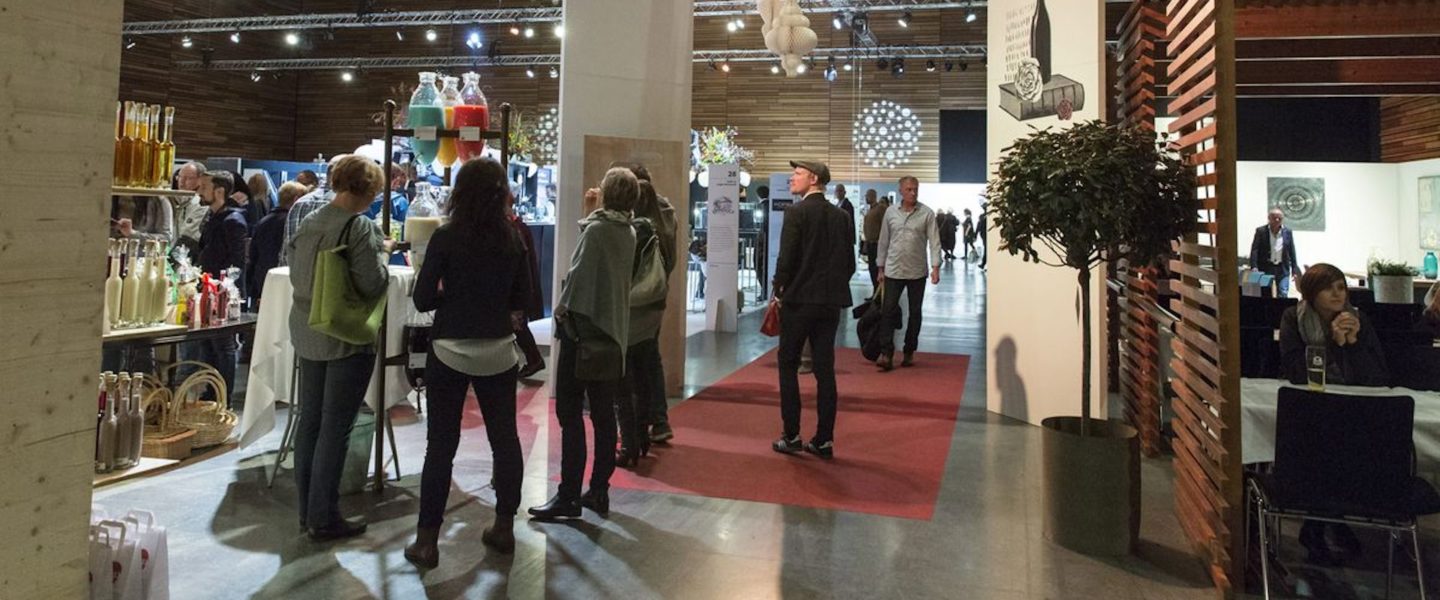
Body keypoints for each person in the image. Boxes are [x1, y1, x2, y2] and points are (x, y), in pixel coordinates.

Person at [404, 158, 529, 566]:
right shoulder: (513, 237)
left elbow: (422, 299)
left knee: (440, 446)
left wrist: (452, 296)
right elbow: (524, 299)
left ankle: (426, 541)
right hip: (498, 349)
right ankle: (504, 527)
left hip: (450, 348)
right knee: (505, 440)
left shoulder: (446, 236)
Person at [285, 154, 390, 542]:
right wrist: (382, 252)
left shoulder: (310, 220)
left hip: (307, 329)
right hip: (345, 334)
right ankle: (325, 516)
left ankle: (306, 512)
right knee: (336, 426)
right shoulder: (358, 227)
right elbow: (372, 282)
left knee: (309, 421)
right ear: (368, 190)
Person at [528, 167, 638, 520]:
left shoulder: (598, 230)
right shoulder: (628, 230)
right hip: (611, 336)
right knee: (604, 418)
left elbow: (578, 280)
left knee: (570, 414)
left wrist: (560, 313)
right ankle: (599, 491)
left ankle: (568, 495)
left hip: (583, 336)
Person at [771, 160, 855, 460]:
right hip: (830, 302)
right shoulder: (841, 217)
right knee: (824, 369)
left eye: (798, 174)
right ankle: (824, 439)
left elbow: (786, 259)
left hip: (799, 301)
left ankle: (791, 434)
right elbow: (849, 263)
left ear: (814, 178)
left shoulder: (796, 213)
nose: (792, 178)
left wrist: (779, 289)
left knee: (788, 364)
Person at [617, 174, 679, 461]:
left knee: (626, 376)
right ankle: (652, 426)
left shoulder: (636, 230)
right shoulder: (664, 223)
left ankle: (630, 440)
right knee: (648, 366)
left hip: (632, 307)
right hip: (655, 304)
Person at [185, 170, 247, 398]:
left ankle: (222, 398)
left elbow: (238, 262)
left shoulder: (233, 221)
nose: (199, 191)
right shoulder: (213, 217)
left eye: (204, 187)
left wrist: (225, 290)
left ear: (219, 191)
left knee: (223, 346)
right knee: (208, 345)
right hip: (207, 289)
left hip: (222, 294)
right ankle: (210, 395)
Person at [1279, 263, 1389, 387]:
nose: (1336, 294)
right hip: (1310, 393)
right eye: (1327, 288)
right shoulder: (1294, 317)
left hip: (1352, 393)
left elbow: (1377, 377)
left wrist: (1353, 342)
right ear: (1311, 292)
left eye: (1341, 288)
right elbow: (1295, 374)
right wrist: (1334, 344)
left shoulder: (1356, 319)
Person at [875, 176, 941, 371]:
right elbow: (883, 241)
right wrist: (880, 267)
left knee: (915, 312)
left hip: (917, 271)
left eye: (915, 189)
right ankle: (886, 353)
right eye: (909, 189)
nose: (913, 193)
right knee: (887, 311)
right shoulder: (890, 212)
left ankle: (909, 350)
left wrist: (935, 267)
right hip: (893, 270)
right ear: (901, 191)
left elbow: (934, 242)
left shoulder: (927, 213)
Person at [247, 181, 306, 306]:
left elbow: (253, 254)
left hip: (262, 283)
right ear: (296, 199)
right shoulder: (292, 224)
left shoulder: (263, 221)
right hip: (284, 284)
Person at [510, 193, 547, 379]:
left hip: (515, 290)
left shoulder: (513, 228)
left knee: (518, 325)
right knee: (518, 325)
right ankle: (533, 359)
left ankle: (534, 358)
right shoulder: (518, 226)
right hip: (521, 289)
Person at [1249, 208, 1301, 298]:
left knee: (1283, 293)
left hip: (1282, 268)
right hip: (1266, 267)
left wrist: (1294, 268)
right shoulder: (1261, 231)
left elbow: (1291, 250)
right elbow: (1255, 249)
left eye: (1279, 218)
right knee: (1265, 293)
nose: (1277, 220)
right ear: (1269, 218)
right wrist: (1254, 266)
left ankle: (1281, 308)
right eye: (1274, 218)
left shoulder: (1287, 232)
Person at [172, 161, 210, 257]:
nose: (182, 182)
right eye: (180, 177)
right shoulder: (179, 201)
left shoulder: (202, 204)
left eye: (188, 178)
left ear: (201, 180)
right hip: (178, 252)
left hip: (190, 256)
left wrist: (172, 259)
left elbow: (189, 237)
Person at [861, 189, 888, 290]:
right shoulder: (870, 210)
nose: (866, 198)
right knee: (872, 269)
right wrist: (865, 243)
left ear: (873, 196)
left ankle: (880, 292)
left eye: (867, 196)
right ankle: (876, 291)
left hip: (877, 244)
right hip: (870, 243)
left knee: (877, 269)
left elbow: (885, 226)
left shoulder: (880, 208)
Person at [977, 205, 988, 270]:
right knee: (986, 249)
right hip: (985, 235)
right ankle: (983, 263)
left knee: (986, 249)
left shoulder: (982, 216)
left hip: (984, 235)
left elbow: (979, 226)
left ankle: (983, 263)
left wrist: (976, 235)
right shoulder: (984, 216)